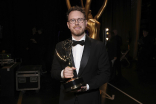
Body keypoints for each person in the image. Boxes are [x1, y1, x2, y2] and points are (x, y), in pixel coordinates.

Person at [51, 6, 110, 104]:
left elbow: (105, 74)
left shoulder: (98, 46)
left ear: (86, 23)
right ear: (68, 24)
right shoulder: (60, 46)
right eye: (72, 20)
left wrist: (87, 86)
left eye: (80, 19)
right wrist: (62, 74)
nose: (76, 23)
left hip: (90, 99)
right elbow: (53, 72)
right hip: (67, 100)